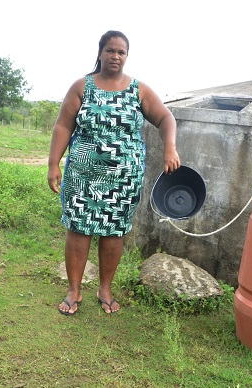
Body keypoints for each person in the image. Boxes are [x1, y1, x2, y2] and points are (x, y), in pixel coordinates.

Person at [47, 30, 181, 315]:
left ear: (126, 56)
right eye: (110, 50)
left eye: (121, 52)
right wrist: (53, 163)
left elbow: (165, 118)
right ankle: (74, 290)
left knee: (114, 231)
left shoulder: (138, 90)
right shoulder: (81, 87)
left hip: (123, 177)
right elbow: (63, 126)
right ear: (100, 53)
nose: (115, 56)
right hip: (83, 174)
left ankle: (105, 288)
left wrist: (170, 147)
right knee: (78, 229)